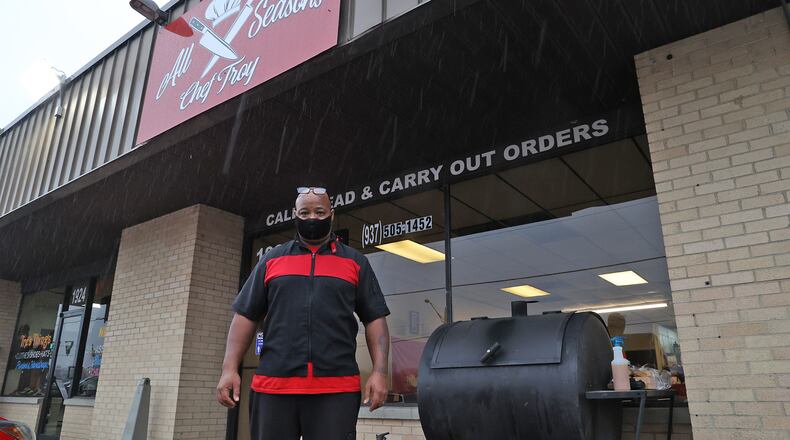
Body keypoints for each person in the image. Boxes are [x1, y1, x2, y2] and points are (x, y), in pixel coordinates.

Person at [216, 186, 391, 440]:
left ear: (332, 215)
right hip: (273, 387)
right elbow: (245, 316)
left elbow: (375, 318)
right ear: (294, 215)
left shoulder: (355, 263)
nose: (312, 218)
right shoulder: (271, 260)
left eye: (320, 211)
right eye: (305, 212)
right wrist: (229, 368)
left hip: (336, 390)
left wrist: (380, 371)